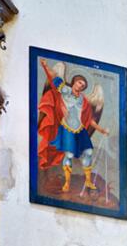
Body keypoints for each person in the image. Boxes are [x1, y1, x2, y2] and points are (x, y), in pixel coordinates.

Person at [37, 59, 108, 192]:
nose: (81, 86)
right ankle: (67, 183)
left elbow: (89, 119)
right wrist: (45, 66)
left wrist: (101, 129)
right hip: (67, 128)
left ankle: (88, 181)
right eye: (80, 83)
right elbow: (53, 78)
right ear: (75, 81)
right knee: (68, 155)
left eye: (83, 85)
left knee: (88, 152)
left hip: (80, 129)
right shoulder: (65, 90)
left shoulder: (83, 100)